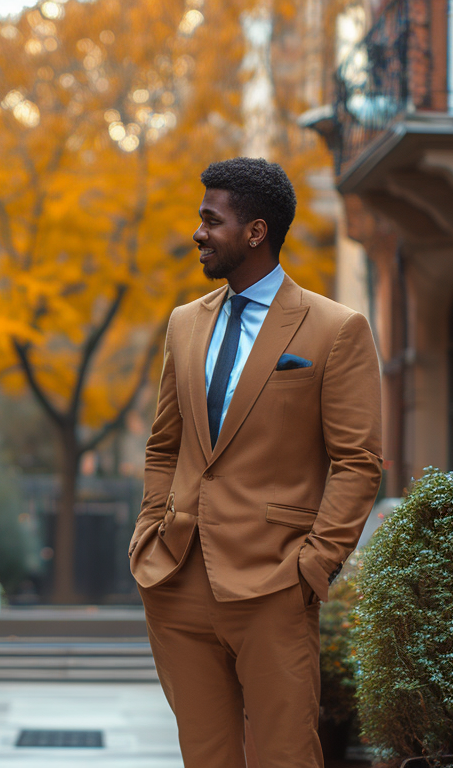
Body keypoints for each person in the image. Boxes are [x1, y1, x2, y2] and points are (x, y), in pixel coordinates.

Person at [129, 157, 382, 768]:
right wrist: (148, 532)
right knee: (206, 756)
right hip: (178, 577)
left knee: (285, 754)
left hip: (275, 582)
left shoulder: (335, 329)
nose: (198, 233)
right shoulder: (185, 325)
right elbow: (166, 444)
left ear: (255, 231)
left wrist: (315, 564)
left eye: (211, 220)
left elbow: (358, 462)